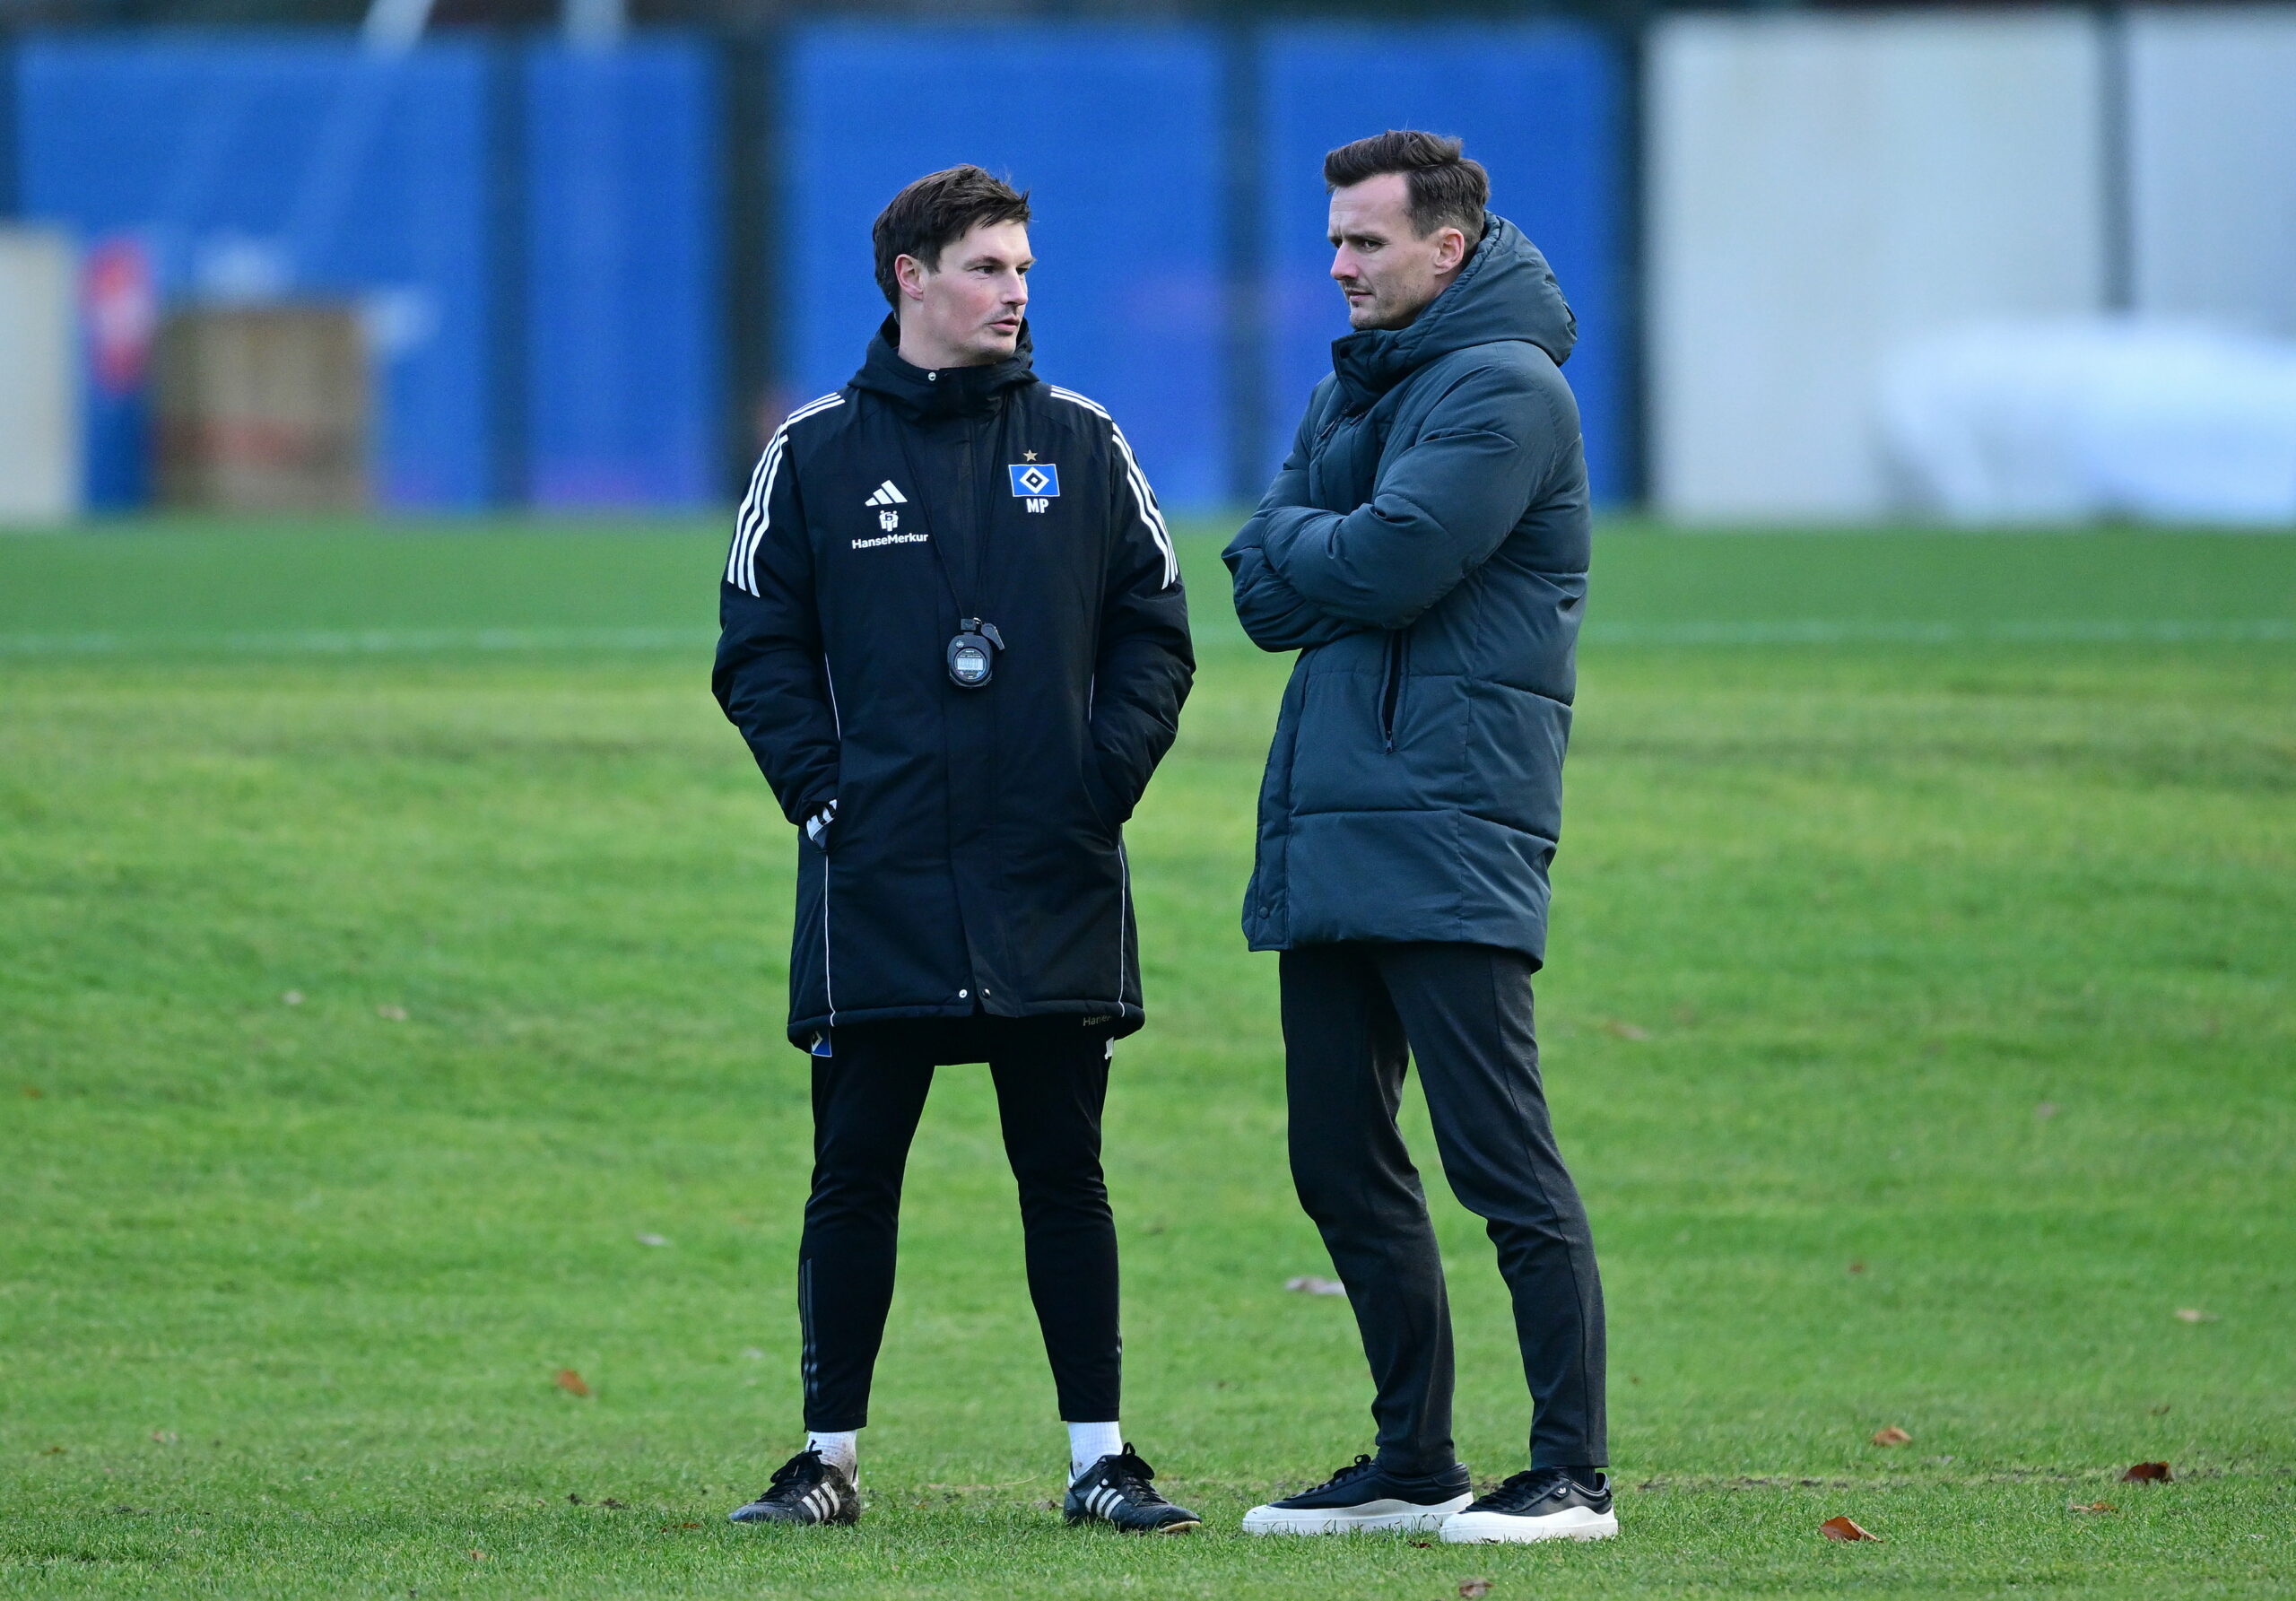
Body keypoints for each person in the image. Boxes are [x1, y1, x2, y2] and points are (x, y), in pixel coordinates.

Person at [711, 165, 1197, 1534]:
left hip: (1051, 874)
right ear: (910, 276)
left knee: (1066, 1173)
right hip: (881, 880)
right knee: (853, 1168)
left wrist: (1103, 782)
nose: (1016, 292)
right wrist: (826, 794)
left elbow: (1155, 625)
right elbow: (756, 650)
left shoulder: (1084, 442)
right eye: (989, 266)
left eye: (1026, 268)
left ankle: (1101, 1458)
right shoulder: (812, 452)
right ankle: (827, 1459)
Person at [1224, 131, 1613, 1544]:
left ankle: (1572, 1471)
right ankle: (1414, 1461)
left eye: (1366, 243)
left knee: (1499, 1158)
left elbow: (1379, 561)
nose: (1338, 266)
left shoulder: (1509, 391)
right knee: (1336, 1155)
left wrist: (1316, 541)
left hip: (1449, 825)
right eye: (1332, 241)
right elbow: (1262, 590)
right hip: (1332, 827)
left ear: (1447, 249)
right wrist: (1321, 544)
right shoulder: (1356, 381)